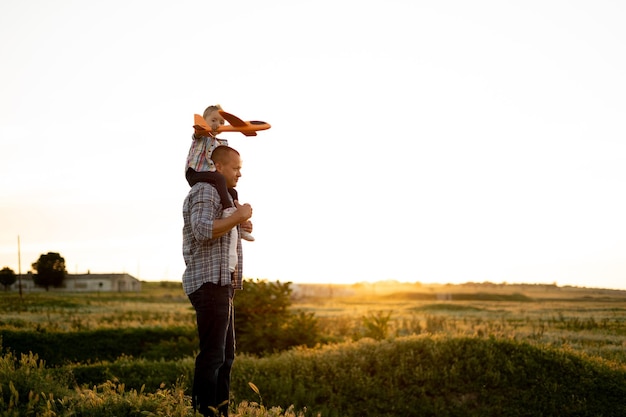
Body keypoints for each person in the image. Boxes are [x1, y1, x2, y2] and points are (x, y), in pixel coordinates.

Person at [182, 145, 253, 417]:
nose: (240, 174)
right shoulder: (205, 190)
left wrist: (241, 223)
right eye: (236, 168)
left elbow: (223, 230)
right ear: (219, 168)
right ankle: (205, 414)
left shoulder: (223, 196)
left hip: (223, 284)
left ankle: (220, 413)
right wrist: (238, 216)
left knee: (225, 357)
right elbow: (202, 231)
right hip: (209, 283)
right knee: (213, 357)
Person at [185, 104, 254, 241]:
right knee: (220, 179)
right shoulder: (201, 137)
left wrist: (238, 219)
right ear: (204, 121)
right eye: (214, 120)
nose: (218, 124)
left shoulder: (220, 144)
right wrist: (203, 129)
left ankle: (239, 223)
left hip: (211, 176)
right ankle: (229, 211)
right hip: (196, 173)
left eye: (222, 122)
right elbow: (196, 134)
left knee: (232, 192)